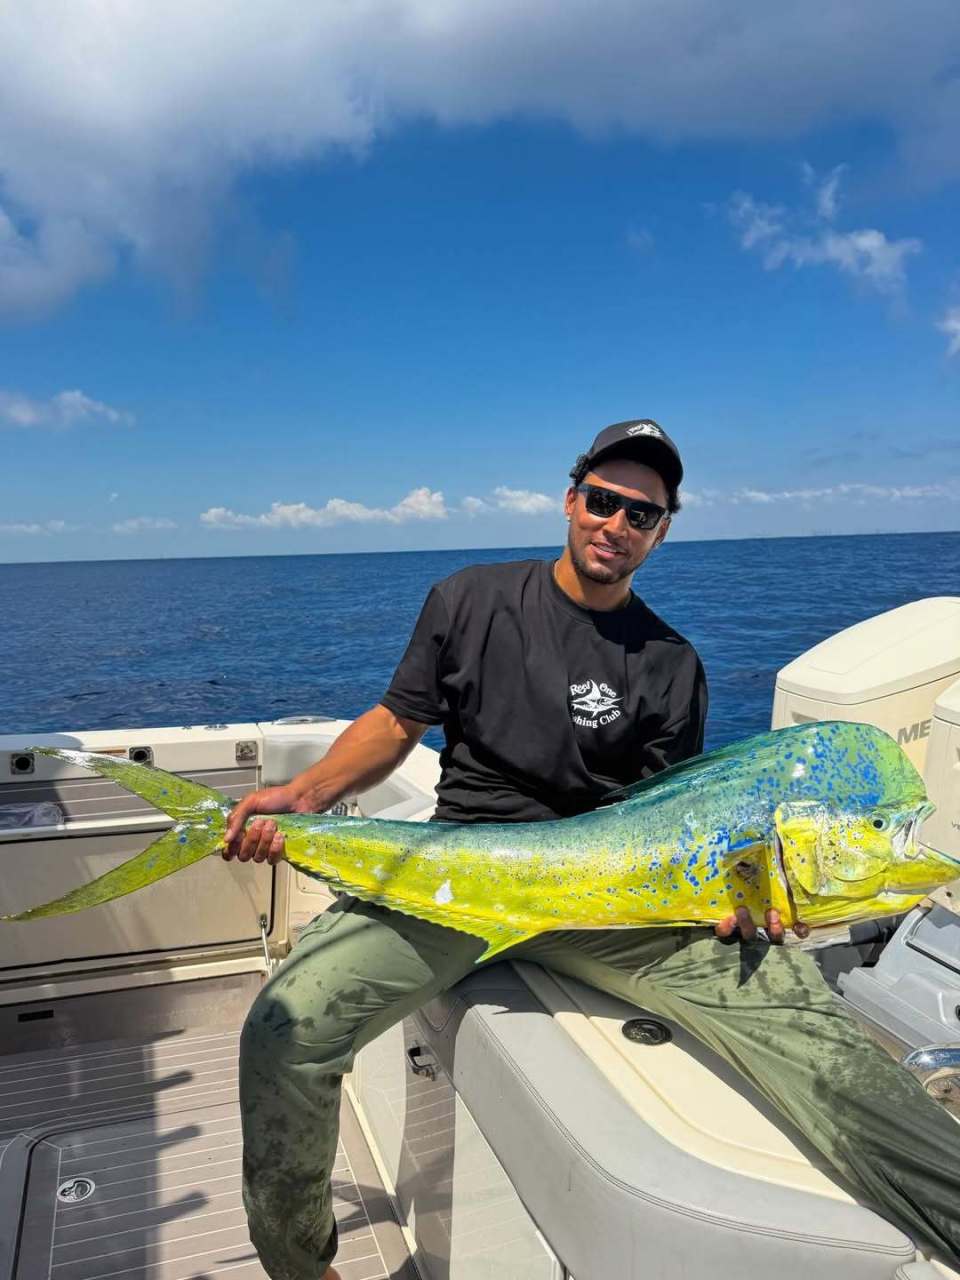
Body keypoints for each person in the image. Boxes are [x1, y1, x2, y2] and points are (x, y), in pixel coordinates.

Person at [225, 420, 960, 1280]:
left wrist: (745, 899)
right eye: (604, 502)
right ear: (571, 501)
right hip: (467, 876)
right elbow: (396, 724)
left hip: (625, 906)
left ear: (663, 530)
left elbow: (676, 817)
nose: (617, 523)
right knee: (286, 1028)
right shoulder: (468, 598)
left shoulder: (670, 663)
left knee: (820, 1048)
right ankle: (302, 1268)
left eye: (642, 514)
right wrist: (303, 796)